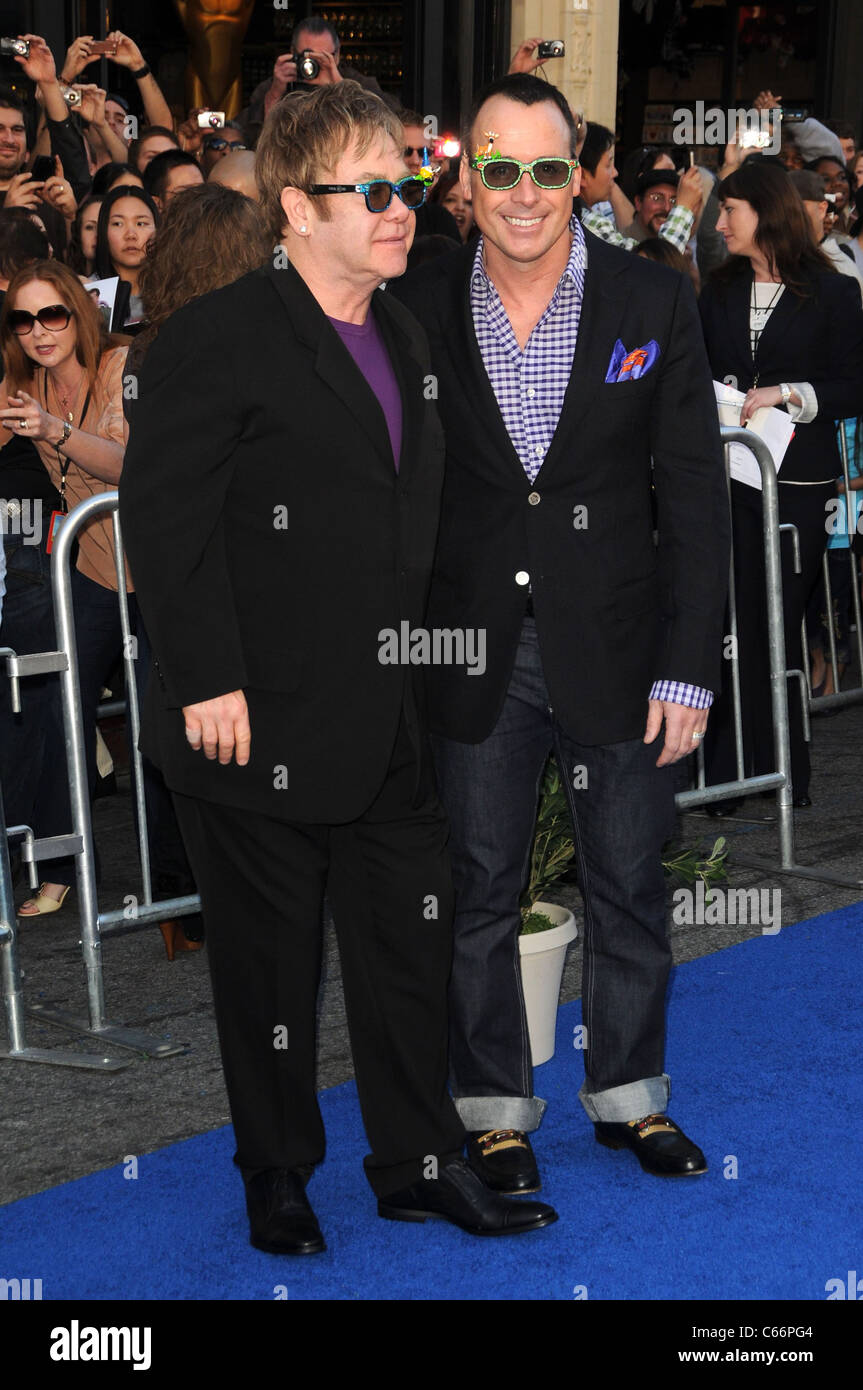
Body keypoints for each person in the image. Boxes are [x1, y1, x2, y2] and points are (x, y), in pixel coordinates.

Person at [119, 80, 556, 1253]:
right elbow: (164, 521)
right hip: (250, 721)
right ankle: (277, 1175)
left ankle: (416, 1162)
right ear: (294, 209)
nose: (399, 206)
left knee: (406, 947)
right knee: (268, 974)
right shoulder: (219, 337)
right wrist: (206, 678)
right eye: (368, 189)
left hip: (388, 717)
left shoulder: (404, 330)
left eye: (406, 181)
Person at [390, 73, 729, 1192]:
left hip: (622, 646)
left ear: (577, 172)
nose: (523, 193)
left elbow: (688, 495)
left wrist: (688, 667)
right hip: (473, 646)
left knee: (627, 877)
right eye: (498, 168)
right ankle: (491, 1107)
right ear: (466, 177)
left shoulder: (649, 299)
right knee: (479, 881)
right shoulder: (421, 301)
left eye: (545, 168)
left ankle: (630, 1097)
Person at [699, 160, 863, 811]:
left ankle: (777, 765)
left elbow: (854, 385)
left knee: (776, 617)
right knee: (728, 616)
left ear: (762, 213)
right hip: (728, 476)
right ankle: (729, 771)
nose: (718, 223)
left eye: (727, 210)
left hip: (798, 484)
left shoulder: (833, 293)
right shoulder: (716, 289)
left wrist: (789, 394)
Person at [0, 261, 129, 916]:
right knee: (56, 702)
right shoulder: (31, 384)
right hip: (94, 571)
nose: (39, 331)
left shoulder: (118, 365)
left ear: (78, 312)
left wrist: (54, 432)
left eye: (51, 314)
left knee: (172, 724)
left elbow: (127, 463)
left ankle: (185, 878)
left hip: (159, 568)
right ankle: (61, 864)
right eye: (24, 320)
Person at [93, 185, 160, 331]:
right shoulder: (90, 294)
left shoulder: (175, 290)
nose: (131, 235)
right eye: (118, 224)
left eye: (141, 223)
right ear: (103, 233)